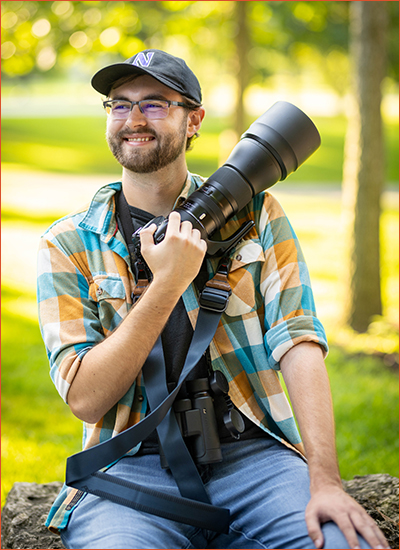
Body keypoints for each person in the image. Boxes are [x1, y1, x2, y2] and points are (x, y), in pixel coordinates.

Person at [37, 49, 388, 550]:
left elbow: (299, 339)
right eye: (118, 104)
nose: (133, 119)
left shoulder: (256, 212)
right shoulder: (68, 243)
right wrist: (167, 284)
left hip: (254, 460)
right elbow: (86, 397)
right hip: (131, 472)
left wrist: (325, 481)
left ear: (194, 119)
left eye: (155, 104)